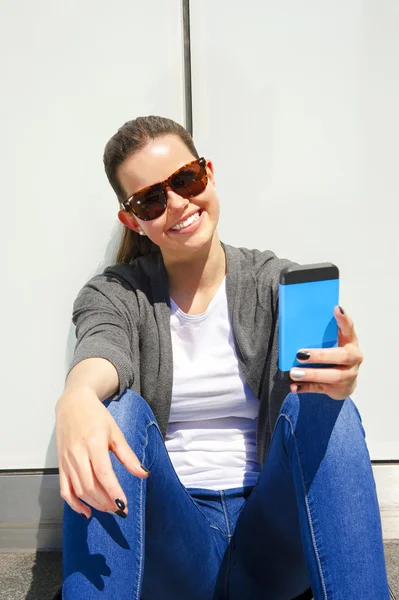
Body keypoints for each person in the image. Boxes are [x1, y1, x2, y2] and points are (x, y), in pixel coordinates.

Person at [55, 116, 390, 600]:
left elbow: (322, 385)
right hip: (173, 544)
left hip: (270, 541)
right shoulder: (117, 292)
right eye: (150, 200)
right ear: (134, 221)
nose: (176, 204)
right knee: (113, 411)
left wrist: (339, 377)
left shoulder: (276, 282)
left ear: (208, 173)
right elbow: (102, 347)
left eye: (186, 180)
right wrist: (77, 397)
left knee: (327, 409)